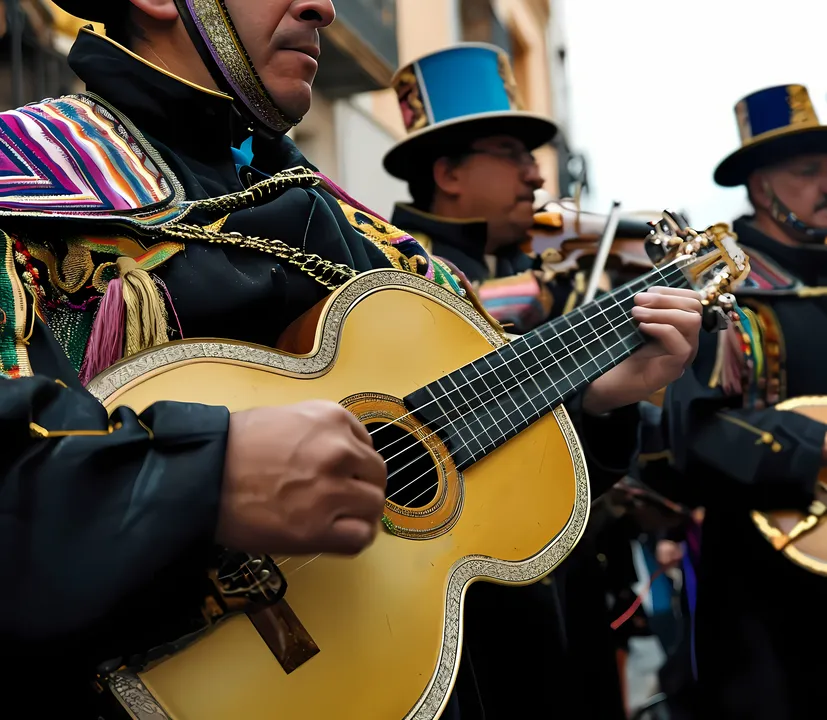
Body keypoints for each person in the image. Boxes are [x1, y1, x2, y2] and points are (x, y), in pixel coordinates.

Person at [0, 3, 701, 714]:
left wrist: (591, 401)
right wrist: (205, 481)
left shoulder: (354, 225)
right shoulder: (22, 180)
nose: (324, 7)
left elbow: (467, 490)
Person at [382, 44, 686, 719]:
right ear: (448, 173)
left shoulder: (551, 279)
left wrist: (607, 396)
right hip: (459, 615)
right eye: (511, 153)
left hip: (570, 591)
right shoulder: (392, 273)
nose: (535, 175)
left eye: (533, 156)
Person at [651, 84, 827, 719]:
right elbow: (687, 435)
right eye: (806, 171)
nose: (825, 185)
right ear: (759, 187)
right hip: (764, 587)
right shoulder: (715, 290)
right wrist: (815, 446)